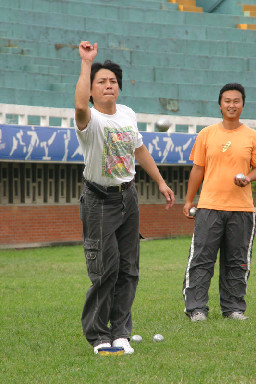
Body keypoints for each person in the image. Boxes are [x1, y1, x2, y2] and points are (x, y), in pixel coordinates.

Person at [74, 41, 175, 354]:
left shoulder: (128, 114)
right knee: (106, 269)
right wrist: (86, 63)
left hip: (127, 197)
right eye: (101, 82)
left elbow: (139, 149)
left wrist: (159, 181)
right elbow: (78, 106)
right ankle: (98, 336)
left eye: (112, 82)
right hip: (98, 199)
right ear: (91, 90)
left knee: (129, 269)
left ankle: (120, 332)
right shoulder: (89, 120)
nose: (108, 86)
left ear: (119, 88)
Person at [183, 83, 256, 322]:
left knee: (237, 261)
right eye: (227, 101)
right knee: (202, 259)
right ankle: (197, 308)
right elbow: (198, 169)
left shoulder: (251, 136)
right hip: (209, 207)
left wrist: (248, 178)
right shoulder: (207, 134)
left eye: (236, 101)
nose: (231, 105)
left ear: (243, 104)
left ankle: (233, 308)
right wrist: (188, 200)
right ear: (220, 104)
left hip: (241, 210)